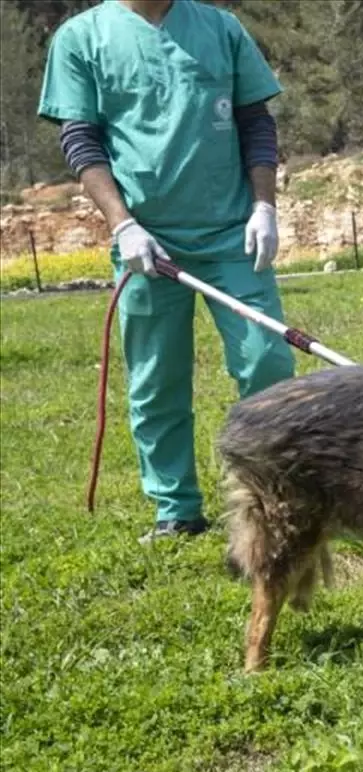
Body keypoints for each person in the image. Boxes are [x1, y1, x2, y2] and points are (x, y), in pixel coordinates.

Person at [38, 0, 296, 544]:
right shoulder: (82, 38)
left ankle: (275, 496)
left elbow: (256, 122)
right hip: (147, 241)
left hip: (231, 235)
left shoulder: (221, 28)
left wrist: (264, 207)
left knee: (267, 362)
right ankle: (176, 508)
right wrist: (123, 224)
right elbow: (81, 141)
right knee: (157, 381)